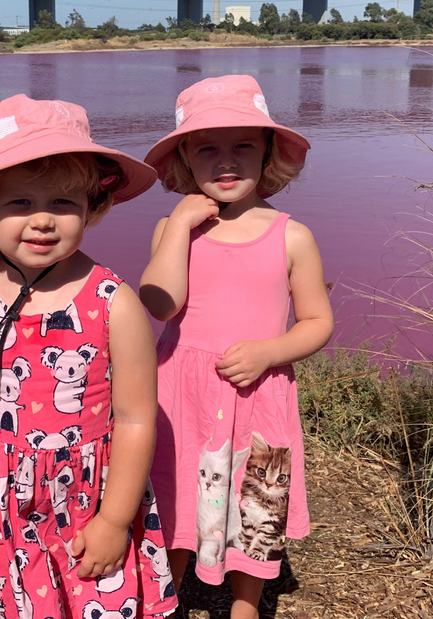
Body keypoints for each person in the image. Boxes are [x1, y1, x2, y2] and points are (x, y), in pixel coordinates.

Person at [0, 94, 178, 619]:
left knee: (102, 600)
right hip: (5, 500)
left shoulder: (114, 303)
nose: (42, 220)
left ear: (91, 207)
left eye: (62, 203)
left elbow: (135, 419)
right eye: (20, 202)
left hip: (91, 498)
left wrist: (114, 520)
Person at [139, 75, 334, 619]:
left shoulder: (291, 235)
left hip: (258, 394)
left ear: (268, 152)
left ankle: (246, 605)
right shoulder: (173, 229)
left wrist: (271, 351)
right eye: (206, 148)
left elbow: (317, 321)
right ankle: (165, 600)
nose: (226, 161)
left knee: (257, 508)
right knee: (175, 497)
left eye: (243, 145)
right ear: (184, 157)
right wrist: (179, 224)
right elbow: (158, 303)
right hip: (181, 397)